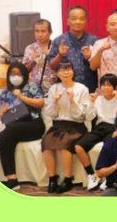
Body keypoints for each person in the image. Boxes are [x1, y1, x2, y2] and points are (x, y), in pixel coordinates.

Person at [0, 62, 45, 190]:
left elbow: (40, 103)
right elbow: (4, 119)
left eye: (19, 74)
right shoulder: (5, 93)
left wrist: (22, 97)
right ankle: (12, 180)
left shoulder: (31, 86)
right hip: (14, 128)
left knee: (10, 131)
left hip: (33, 124)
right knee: (7, 138)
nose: (16, 76)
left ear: (24, 74)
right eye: (13, 74)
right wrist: (2, 113)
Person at [41, 60, 91, 193]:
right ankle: (52, 179)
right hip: (58, 125)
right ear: (57, 73)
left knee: (65, 144)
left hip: (76, 125)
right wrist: (55, 102)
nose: (66, 72)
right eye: (62, 70)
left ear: (73, 71)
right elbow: (51, 114)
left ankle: (68, 180)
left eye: (68, 69)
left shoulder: (82, 89)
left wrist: (72, 100)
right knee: (46, 142)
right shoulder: (54, 88)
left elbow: (81, 116)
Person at [75, 73, 117, 191]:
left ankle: (108, 177)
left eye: (109, 85)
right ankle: (92, 175)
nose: (106, 88)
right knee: (78, 147)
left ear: (115, 87)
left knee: (109, 147)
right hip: (100, 127)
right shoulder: (97, 99)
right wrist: (91, 102)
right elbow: (89, 117)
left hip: (114, 127)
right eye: (103, 85)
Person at [49, 6, 98, 91]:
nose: (78, 22)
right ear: (68, 21)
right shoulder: (59, 41)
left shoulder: (94, 41)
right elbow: (52, 66)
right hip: (65, 88)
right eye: (74, 19)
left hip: (89, 87)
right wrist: (60, 55)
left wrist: (89, 57)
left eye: (81, 19)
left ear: (86, 21)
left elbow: (99, 66)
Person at [22, 18, 58, 94]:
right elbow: (24, 71)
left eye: (43, 31)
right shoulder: (29, 48)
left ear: (50, 32)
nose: (40, 34)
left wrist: (50, 56)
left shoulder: (55, 47)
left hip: (53, 89)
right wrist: (33, 61)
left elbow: (61, 68)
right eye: (37, 31)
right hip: (34, 90)